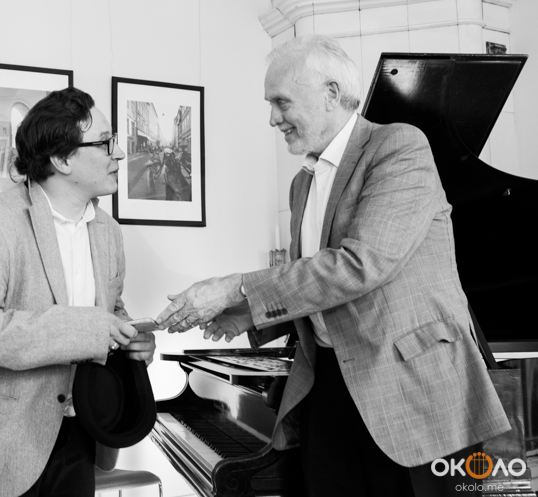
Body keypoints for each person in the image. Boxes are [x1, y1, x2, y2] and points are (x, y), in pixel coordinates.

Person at [156, 35, 509, 497]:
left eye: (281, 102)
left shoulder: (398, 146)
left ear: (331, 93)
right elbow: (318, 286)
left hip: (409, 388)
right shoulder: (301, 184)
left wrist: (235, 287)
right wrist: (248, 314)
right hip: (326, 387)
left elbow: (361, 265)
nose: (272, 118)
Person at [0, 87, 156, 497]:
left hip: (80, 436)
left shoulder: (110, 233)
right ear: (62, 159)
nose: (119, 154)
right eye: (105, 143)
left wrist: (130, 339)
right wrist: (85, 329)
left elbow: (110, 311)